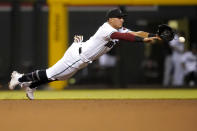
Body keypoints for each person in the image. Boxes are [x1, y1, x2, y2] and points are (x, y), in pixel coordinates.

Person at [9, 8, 161, 100]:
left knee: (59, 76)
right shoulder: (107, 29)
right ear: (110, 19)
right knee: (51, 73)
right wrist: (142, 41)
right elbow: (124, 37)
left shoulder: (118, 28)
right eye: (119, 17)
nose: (122, 19)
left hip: (81, 54)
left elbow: (137, 32)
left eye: (123, 17)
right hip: (77, 57)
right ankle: (20, 77)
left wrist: (154, 35)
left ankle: (30, 86)